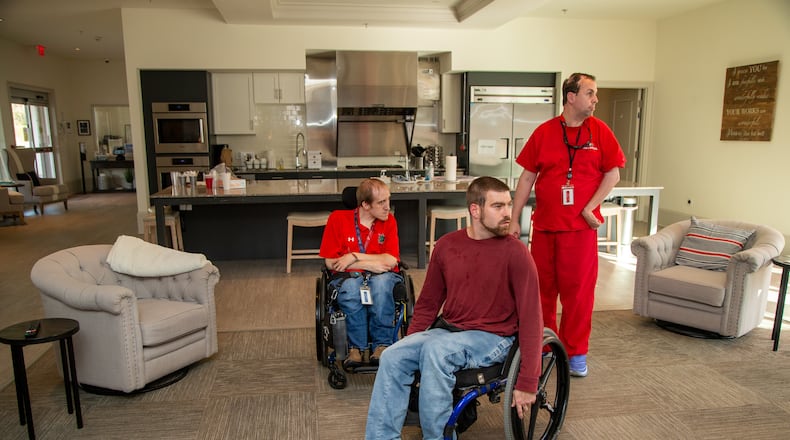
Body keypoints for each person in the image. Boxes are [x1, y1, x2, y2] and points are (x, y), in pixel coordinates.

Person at [365, 176, 543, 440]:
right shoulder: (447, 245)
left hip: (494, 337)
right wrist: (412, 340)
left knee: (437, 352)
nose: (508, 214)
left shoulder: (516, 253)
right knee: (393, 355)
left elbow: (532, 319)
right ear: (475, 210)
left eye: (508, 205)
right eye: (498, 206)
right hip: (450, 331)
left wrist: (528, 382)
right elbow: (428, 303)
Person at [508, 72, 626, 378]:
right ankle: (546, 346)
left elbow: (613, 173)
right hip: (546, 228)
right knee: (542, 292)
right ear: (571, 97)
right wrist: (514, 219)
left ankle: (576, 353)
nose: (595, 99)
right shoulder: (545, 132)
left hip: (580, 231)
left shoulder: (600, 132)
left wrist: (590, 206)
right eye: (590, 93)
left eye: (596, 93)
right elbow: (526, 178)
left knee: (578, 294)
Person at [319, 178, 403, 369]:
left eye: (388, 200)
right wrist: (371, 263)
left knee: (381, 286)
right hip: (349, 277)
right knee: (350, 288)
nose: (387, 207)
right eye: (381, 202)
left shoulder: (389, 221)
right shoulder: (338, 219)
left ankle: (382, 344)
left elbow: (390, 261)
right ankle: (355, 347)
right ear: (365, 205)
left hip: (382, 275)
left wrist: (354, 257)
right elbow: (331, 262)